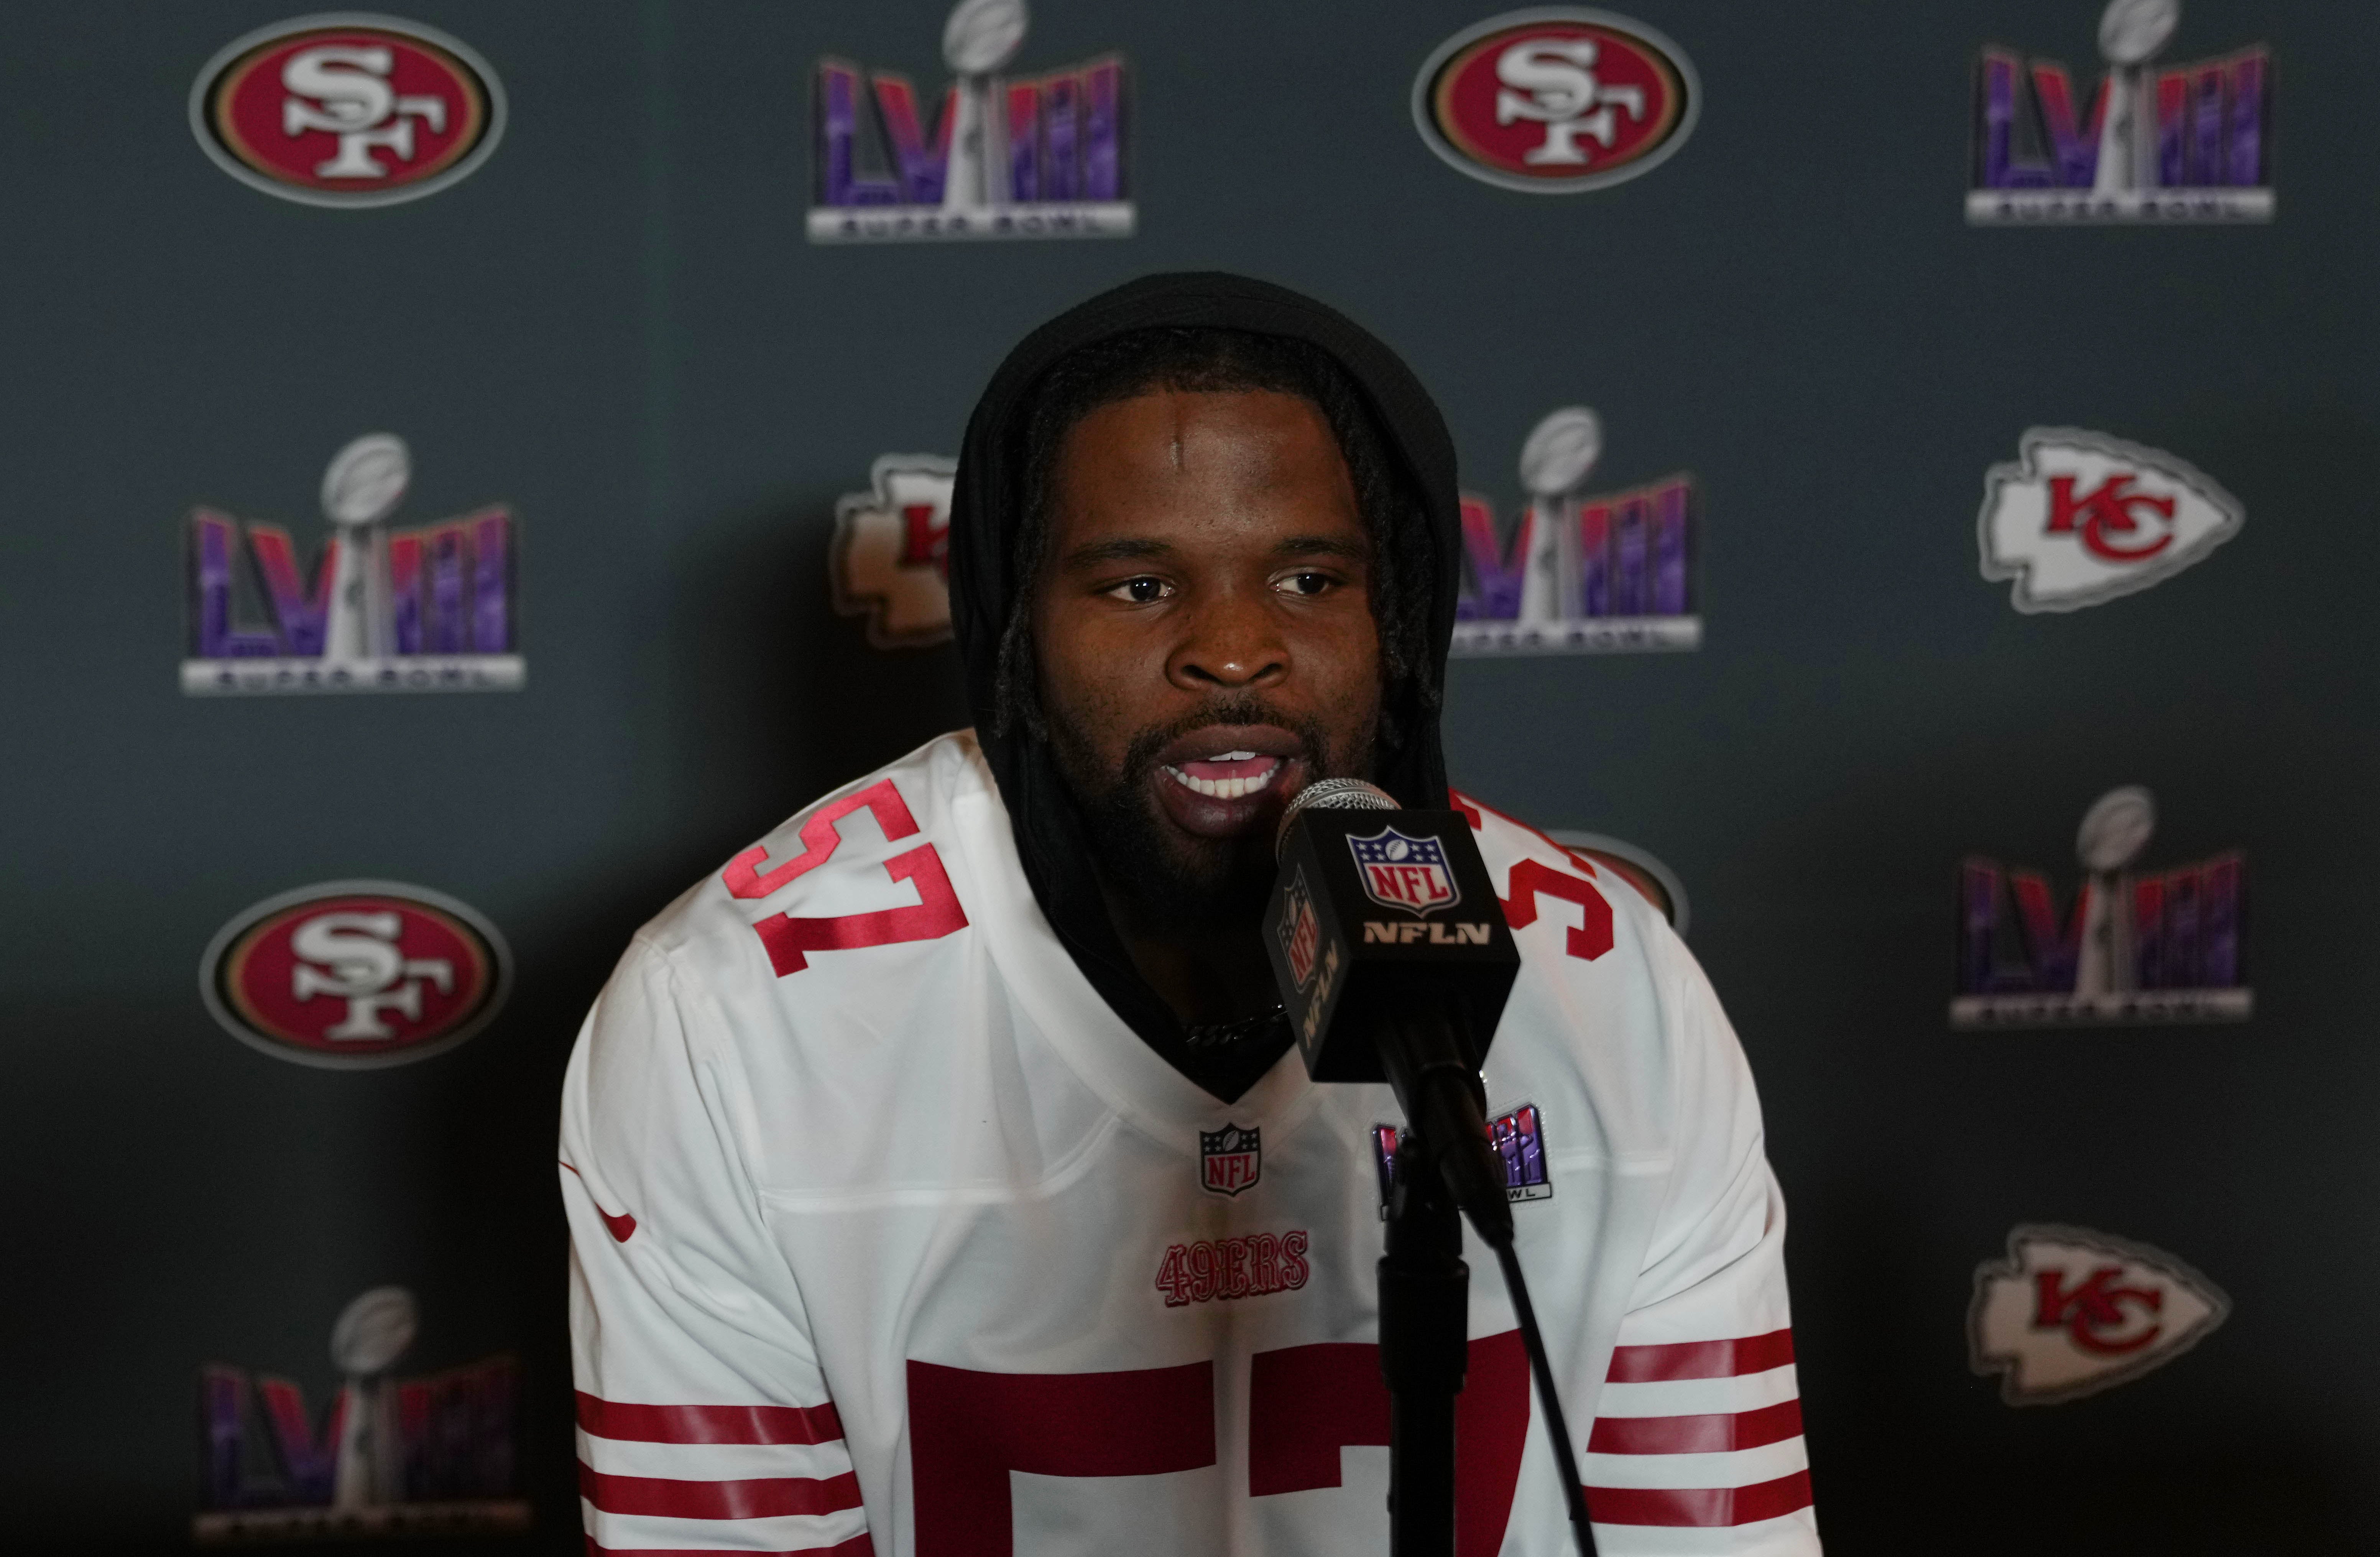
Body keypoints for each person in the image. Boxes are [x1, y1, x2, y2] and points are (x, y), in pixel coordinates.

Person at [560, 273, 1820, 1556]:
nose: (1232, 649)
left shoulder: (1615, 988)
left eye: (1313, 578)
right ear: (1015, 640)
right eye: (1139, 587)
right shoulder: (732, 1017)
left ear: (1403, 622)